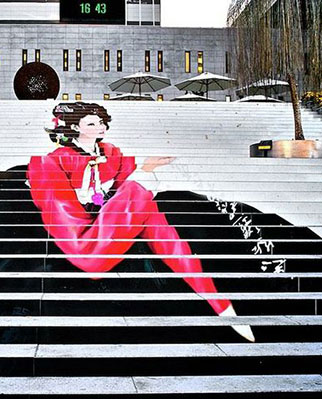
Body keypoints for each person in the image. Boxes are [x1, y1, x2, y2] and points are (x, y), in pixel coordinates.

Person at [27, 102, 254, 342]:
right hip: (80, 231)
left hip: (107, 218)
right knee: (135, 208)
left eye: (101, 122)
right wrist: (142, 175)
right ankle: (218, 303)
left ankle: (218, 302)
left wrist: (139, 176)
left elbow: (124, 190)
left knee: (152, 215)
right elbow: (64, 215)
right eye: (92, 123)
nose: (100, 127)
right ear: (75, 127)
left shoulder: (112, 153)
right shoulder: (53, 161)